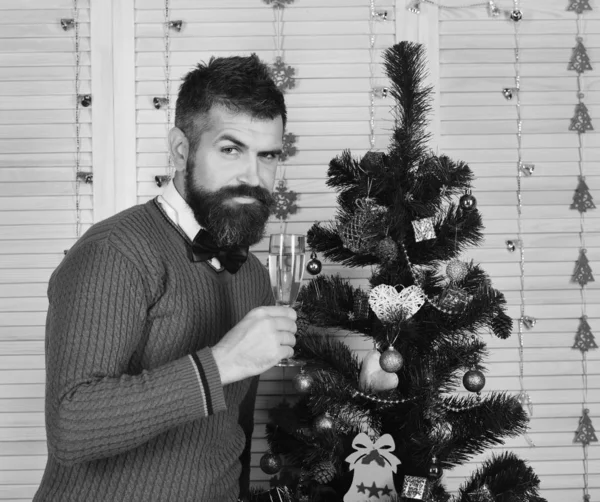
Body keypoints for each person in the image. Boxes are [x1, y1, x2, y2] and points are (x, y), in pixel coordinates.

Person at [33, 54, 297, 502]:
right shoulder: (115, 251)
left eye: (267, 156)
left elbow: (231, 431)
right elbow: (71, 426)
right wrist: (220, 364)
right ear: (180, 149)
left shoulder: (252, 273)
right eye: (231, 149)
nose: (253, 177)